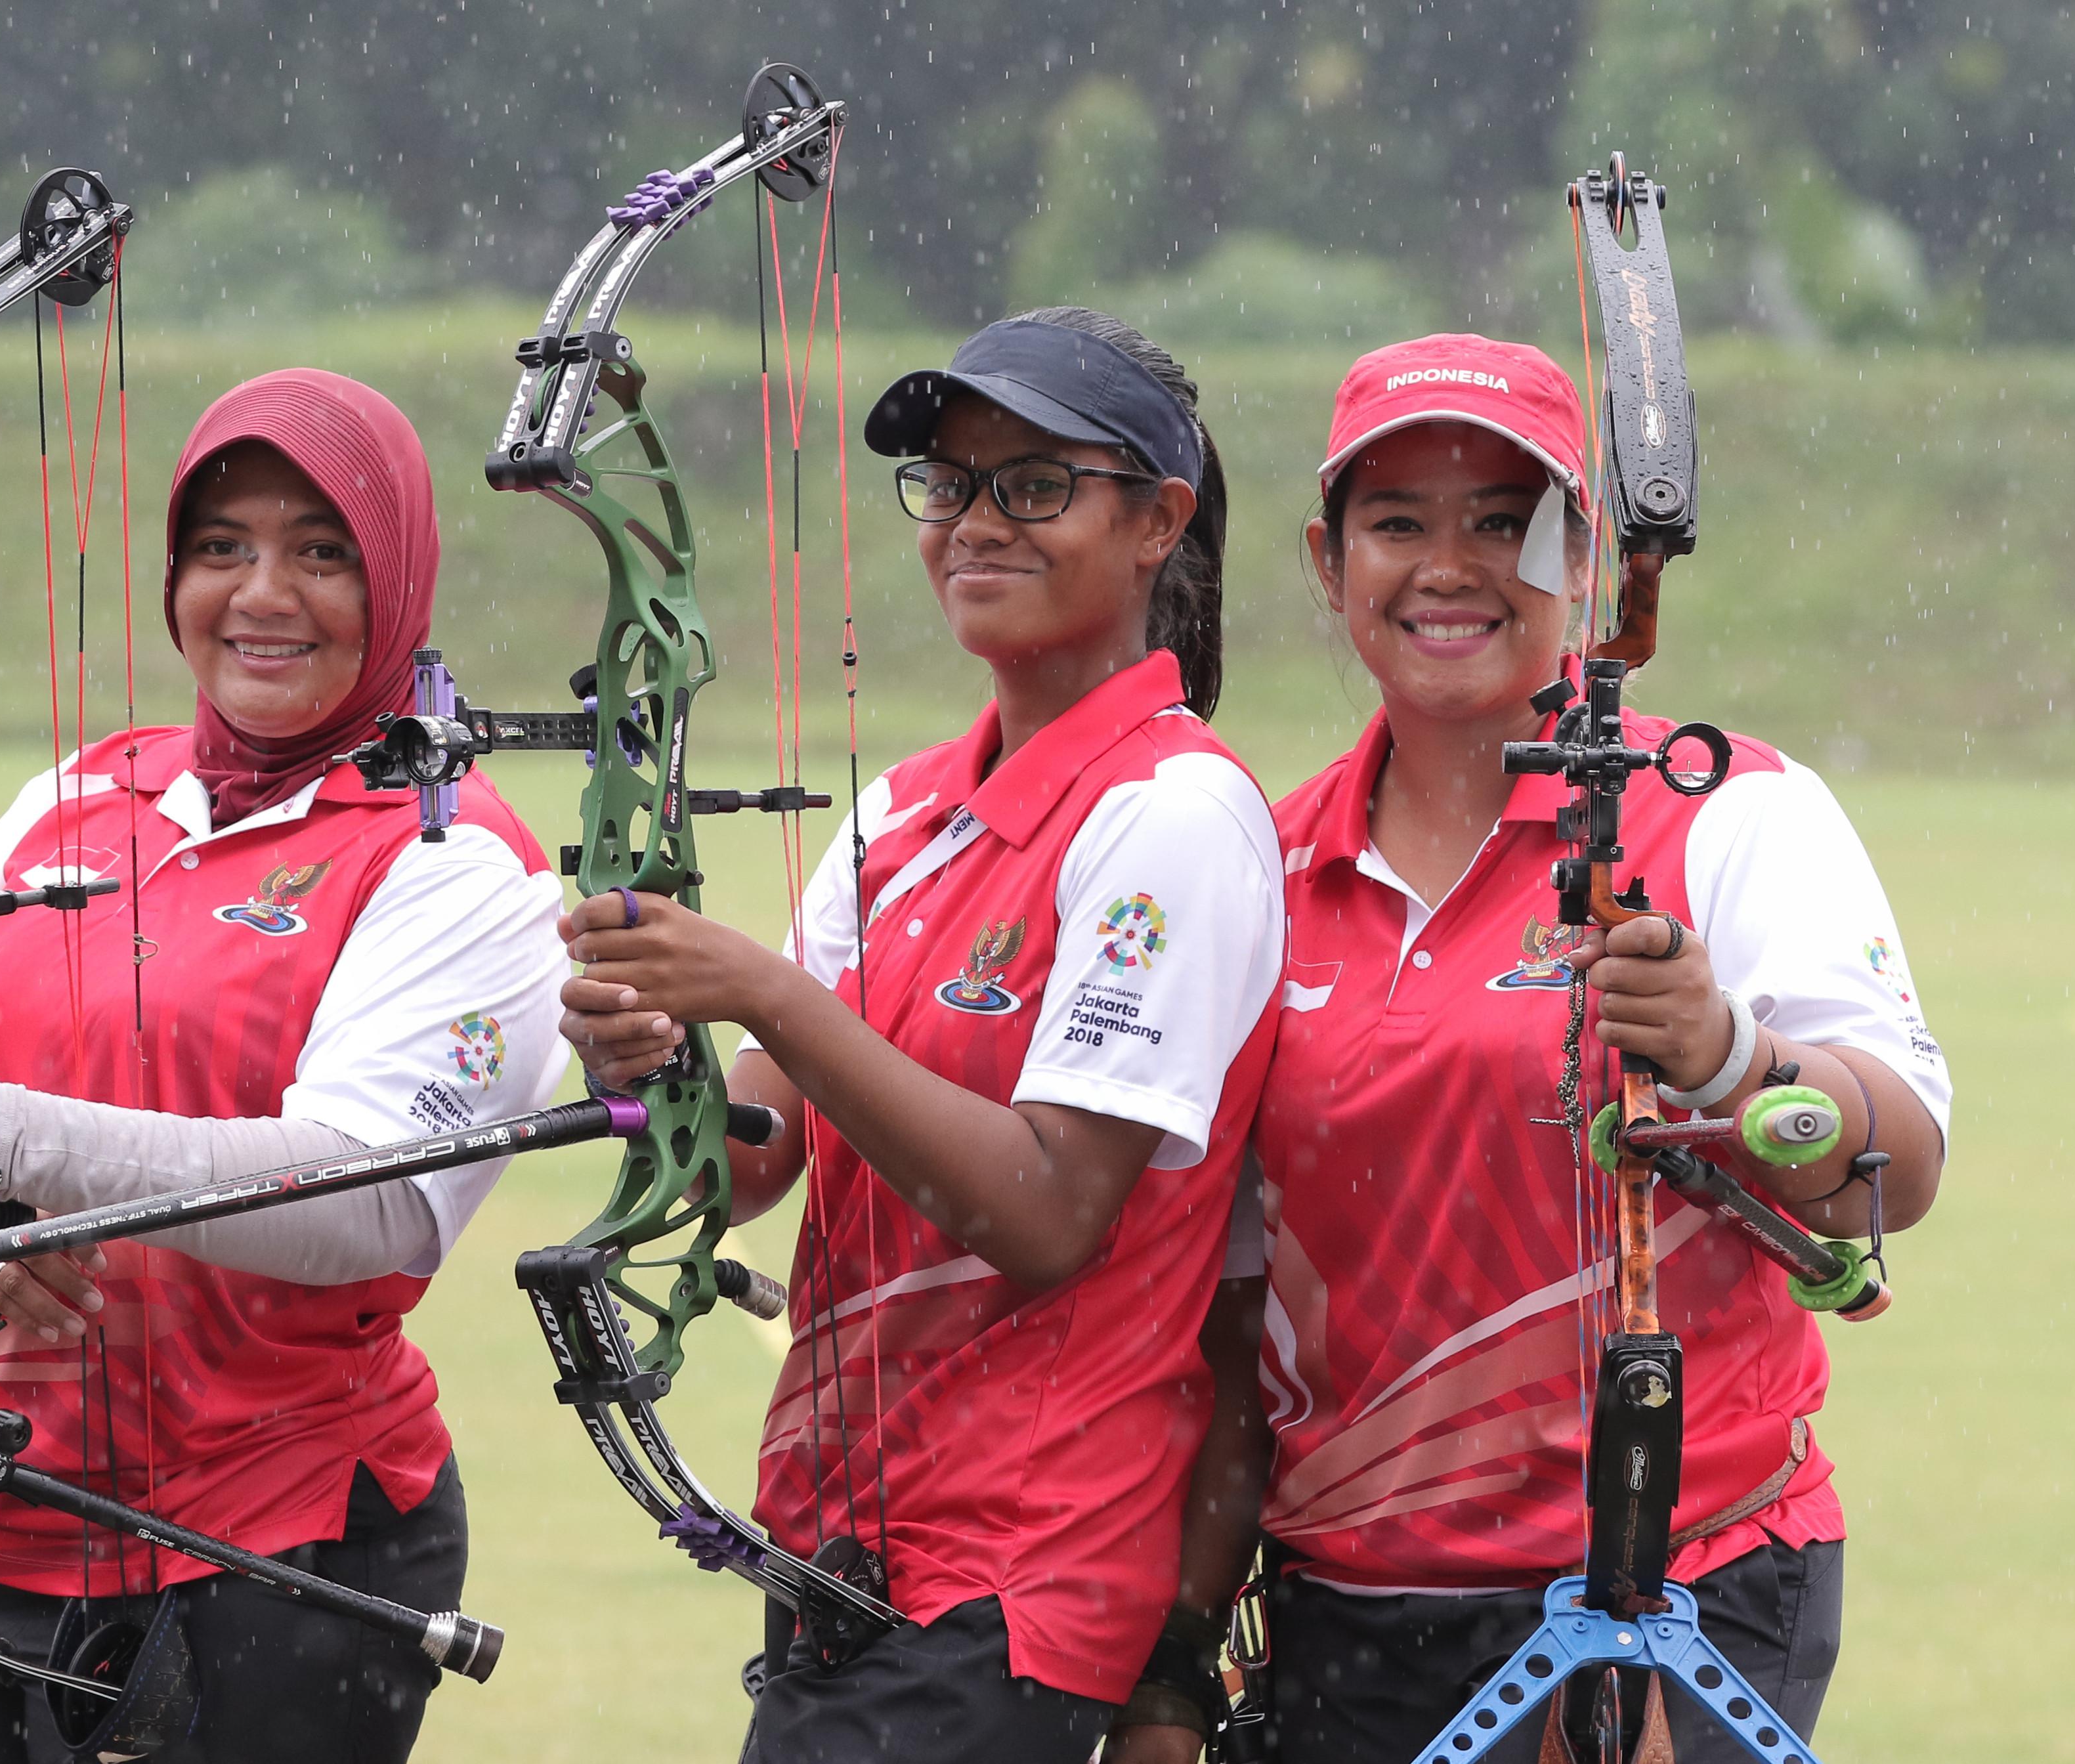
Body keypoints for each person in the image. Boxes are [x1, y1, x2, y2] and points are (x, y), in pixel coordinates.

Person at [1119, 334, 1952, 1763]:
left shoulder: (1728, 811)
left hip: (1673, 1595)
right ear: (1328, 564)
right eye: (1398, 524)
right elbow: (1226, 1309)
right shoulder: (1259, 852)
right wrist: (1177, 1665)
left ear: (1589, 560)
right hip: (1347, 1615)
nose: (1450, 567)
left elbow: (1891, 1168)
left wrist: (1726, 1059)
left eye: (1507, 522)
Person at [0, 368, 572, 1762]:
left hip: (277, 1546)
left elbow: (372, 1200)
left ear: (396, 580)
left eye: (321, 553)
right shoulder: (73, 796)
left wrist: (2, 1143)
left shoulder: (455, 862)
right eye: (222, 549)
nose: (262, 594)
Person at [557, 309, 1287, 1763]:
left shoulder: (1173, 817)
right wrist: (655, 1062)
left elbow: (1046, 1212)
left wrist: (764, 992)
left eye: (1033, 485)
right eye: (949, 484)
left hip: (1020, 1575)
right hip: (854, 1559)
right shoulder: (902, 816)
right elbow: (751, 1165)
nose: (972, 522)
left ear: (1159, 522)